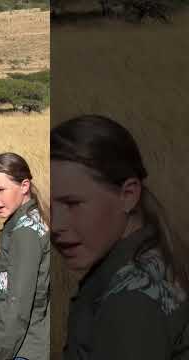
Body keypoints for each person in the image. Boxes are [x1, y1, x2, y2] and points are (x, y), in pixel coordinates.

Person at [51, 114, 189, 360]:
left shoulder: (129, 303)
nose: (56, 225)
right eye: (51, 207)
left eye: (72, 204)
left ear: (128, 195)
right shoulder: (156, 256)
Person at [0, 152, 50, 360]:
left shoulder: (25, 233)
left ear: (24, 186)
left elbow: (17, 307)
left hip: (23, 350)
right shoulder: (34, 219)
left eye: (1, 190)